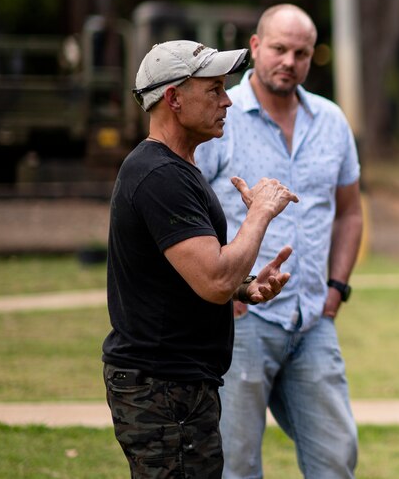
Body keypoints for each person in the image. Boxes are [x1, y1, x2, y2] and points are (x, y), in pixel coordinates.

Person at [103, 41, 298, 478]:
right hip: (163, 387)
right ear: (173, 98)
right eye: (214, 90)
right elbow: (212, 280)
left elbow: (187, 273)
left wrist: (246, 284)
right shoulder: (160, 176)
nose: (227, 100)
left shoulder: (175, 168)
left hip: (177, 384)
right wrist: (261, 213)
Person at [195, 5, 363, 479]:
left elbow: (350, 211)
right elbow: (188, 210)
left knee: (336, 457)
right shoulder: (220, 118)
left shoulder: (331, 120)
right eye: (279, 48)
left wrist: (337, 288)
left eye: (302, 52)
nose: (289, 60)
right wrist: (223, 290)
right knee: (237, 462)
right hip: (242, 321)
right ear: (254, 47)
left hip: (312, 320)